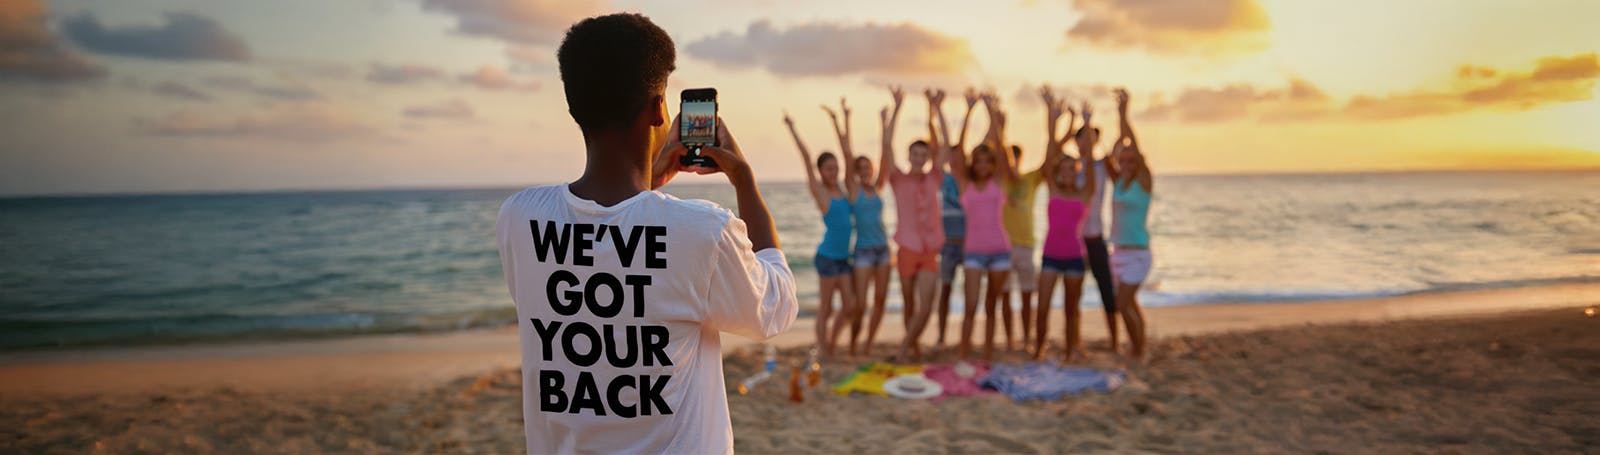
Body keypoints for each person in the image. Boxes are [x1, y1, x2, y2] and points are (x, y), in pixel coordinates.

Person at [496, 13, 798, 454]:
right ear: (660, 110)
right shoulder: (702, 231)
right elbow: (775, 307)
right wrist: (745, 181)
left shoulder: (520, 218)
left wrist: (649, 186)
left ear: (574, 109)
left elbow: (602, 254)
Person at [949, 90, 1019, 361]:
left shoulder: (998, 181)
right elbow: (958, 155)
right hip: (974, 252)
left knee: (992, 305)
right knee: (970, 306)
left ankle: (988, 354)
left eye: (986, 161)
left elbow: (1002, 151)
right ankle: (964, 353)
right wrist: (969, 111)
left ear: (992, 164)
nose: (982, 165)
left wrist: (991, 112)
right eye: (977, 161)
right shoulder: (965, 185)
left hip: (1000, 250)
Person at [784, 110, 859, 359]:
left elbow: (849, 157)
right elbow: (806, 157)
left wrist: (840, 120)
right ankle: (824, 349)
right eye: (828, 168)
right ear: (820, 171)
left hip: (842, 259)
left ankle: (831, 342)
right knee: (825, 309)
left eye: (835, 168)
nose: (833, 172)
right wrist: (792, 127)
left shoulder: (843, 188)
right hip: (827, 258)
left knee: (849, 307)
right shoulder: (821, 192)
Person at [1031, 87, 1099, 361]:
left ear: (1078, 171)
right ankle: (1038, 348)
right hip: (1050, 255)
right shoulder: (1053, 189)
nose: (1068, 172)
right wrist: (1052, 116)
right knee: (1043, 306)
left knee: (1072, 309)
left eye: (1073, 169)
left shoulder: (1085, 192)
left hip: (1074, 257)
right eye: (1064, 169)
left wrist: (1085, 122)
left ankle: (1071, 351)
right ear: (1058, 172)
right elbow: (1050, 151)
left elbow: (1091, 162)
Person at [884, 87, 949, 362]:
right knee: (910, 305)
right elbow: (886, 146)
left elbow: (945, 146)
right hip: (907, 249)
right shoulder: (898, 179)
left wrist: (935, 110)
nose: (919, 159)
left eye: (924, 155)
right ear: (909, 156)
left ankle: (902, 350)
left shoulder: (935, 176)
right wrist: (897, 107)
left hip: (930, 250)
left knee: (926, 307)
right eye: (915, 154)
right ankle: (914, 347)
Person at [823, 98, 892, 357]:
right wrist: (843, 118)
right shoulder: (853, 190)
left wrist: (884, 122)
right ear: (856, 172)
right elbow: (847, 152)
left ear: (873, 170)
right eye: (861, 168)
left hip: (883, 250)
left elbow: (886, 152)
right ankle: (852, 344)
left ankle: (868, 344)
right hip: (862, 251)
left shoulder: (879, 186)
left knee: (881, 301)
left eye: (868, 167)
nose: (865, 171)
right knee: (861, 304)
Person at [1105, 87, 1152, 360]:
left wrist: (1123, 114)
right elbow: (1113, 154)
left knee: (1122, 304)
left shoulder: (1144, 182)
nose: (1125, 163)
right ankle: (1138, 347)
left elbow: (1133, 146)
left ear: (1138, 162)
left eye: (1130, 160)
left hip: (1137, 253)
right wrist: (1118, 136)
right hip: (1118, 252)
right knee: (1130, 303)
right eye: (1121, 160)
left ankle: (1139, 350)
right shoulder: (1119, 182)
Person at [935, 93, 979, 349]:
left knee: (970, 294)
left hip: (969, 244)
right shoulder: (942, 178)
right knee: (946, 291)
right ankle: (941, 336)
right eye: (950, 157)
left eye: (958, 156)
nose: (954, 160)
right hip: (948, 245)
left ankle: (966, 338)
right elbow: (942, 146)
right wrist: (938, 110)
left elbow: (962, 146)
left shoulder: (968, 180)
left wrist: (969, 112)